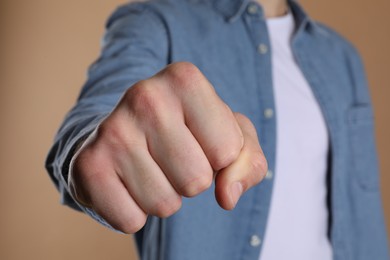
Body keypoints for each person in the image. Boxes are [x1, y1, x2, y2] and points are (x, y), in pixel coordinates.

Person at [45, 0, 389, 259]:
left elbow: (362, 212)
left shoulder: (342, 56)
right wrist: (89, 148)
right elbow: (92, 120)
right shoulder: (154, 22)